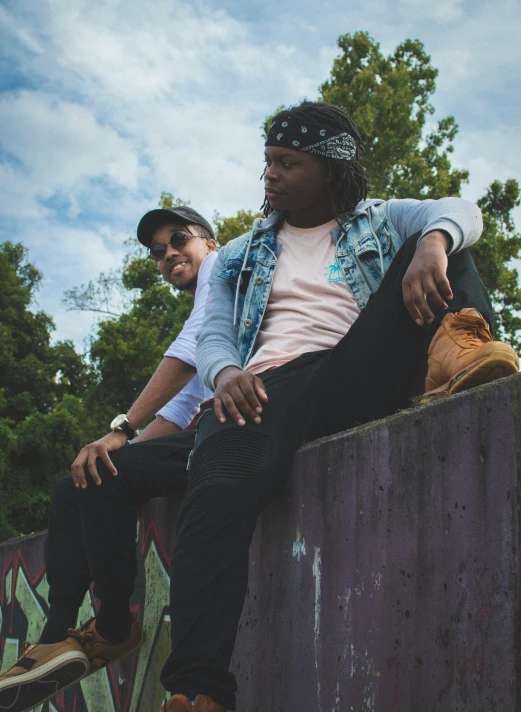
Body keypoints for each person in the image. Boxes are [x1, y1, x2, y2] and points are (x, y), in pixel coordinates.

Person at [160, 102, 519, 712]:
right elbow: (214, 333)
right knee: (214, 487)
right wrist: (225, 374)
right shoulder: (242, 254)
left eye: (287, 163)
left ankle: (463, 349)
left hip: (354, 369)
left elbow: (462, 210)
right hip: (267, 389)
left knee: (442, 236)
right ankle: (196, 693)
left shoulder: (379, 219)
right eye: (267, 161)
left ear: (329, 167)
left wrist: (432, 240)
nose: (269, 174)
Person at [0, 206, 217, 712]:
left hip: (243, 425)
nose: (167, 256)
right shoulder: (207, 302)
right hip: (206, 425)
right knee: (78, 480)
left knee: (103, 474)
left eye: (178, 240)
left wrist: (120, 431)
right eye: (157, 253)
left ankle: (115, 626)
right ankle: (57, 634)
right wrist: (111, 457)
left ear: (209, 241)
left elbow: (190, 348)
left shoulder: (223, 268)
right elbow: (181, 404)